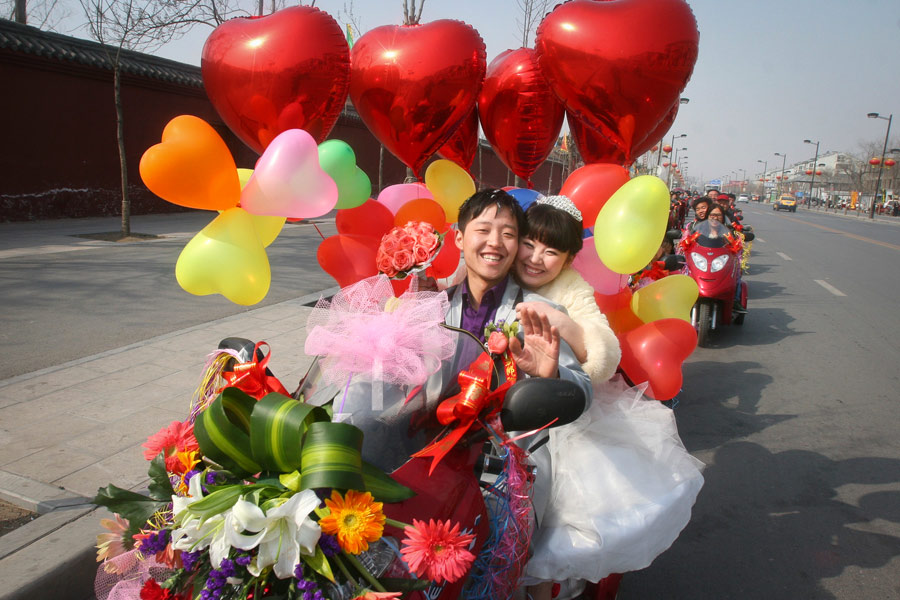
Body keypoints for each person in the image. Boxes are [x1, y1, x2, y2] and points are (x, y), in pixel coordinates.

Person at [511, 196, 705, 600]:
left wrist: (570, 327)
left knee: (553, 534)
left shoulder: (571, 288)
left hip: (557, 414)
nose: (534, 258)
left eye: (551, 251)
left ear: (566, 259)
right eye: (529, 244)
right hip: (493, 404)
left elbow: (605, 349)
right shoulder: (498, 264)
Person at [442, 188, 593, 536]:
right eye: (483, 230)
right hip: (435, 466)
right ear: (459, 237)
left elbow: (583, 392)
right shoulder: (432, 306)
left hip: (504, 479)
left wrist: (549, 375)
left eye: (508, 234)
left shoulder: (540, 312)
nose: (495, 242)